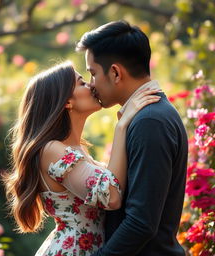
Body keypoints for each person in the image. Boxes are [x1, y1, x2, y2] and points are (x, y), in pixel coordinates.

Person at [3, 61, 161, 256]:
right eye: (82, 83)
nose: (92, 86)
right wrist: (121, 127)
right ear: (67, 102)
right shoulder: (52, 150)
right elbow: (111, 197)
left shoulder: (78, 151)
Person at [76, 20, 188, 256]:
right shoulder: (146, 116)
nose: (91, 84)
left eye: (93, 73)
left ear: (116, 72)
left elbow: (141, 222)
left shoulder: (150, 121)